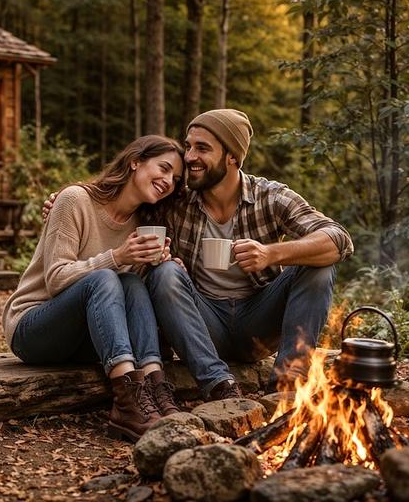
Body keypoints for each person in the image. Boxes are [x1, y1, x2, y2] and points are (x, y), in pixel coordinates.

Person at [146, 109, 354, 400]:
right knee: (166, 273)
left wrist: (271, 253)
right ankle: (218, 385)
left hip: (259, 321)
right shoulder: (177, 198)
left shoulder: (269, 196)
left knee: (318, 265)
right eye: (189, 146)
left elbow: (338, 239)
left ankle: (288, 384)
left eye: (202, 148)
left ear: (232, 156)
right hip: (205, 322)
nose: (190, 156)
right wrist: (71, 199)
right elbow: (125, 195)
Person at [3, 135, 186, 442]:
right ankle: (128, 405)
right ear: (135, 162)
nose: (168, 181)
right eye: (164, 168)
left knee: (129, 282)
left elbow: (121, 303)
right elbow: (57, 279)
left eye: (175, 178)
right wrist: (117, 257)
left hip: (85, 337)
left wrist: (156, 264)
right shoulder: (75, 200)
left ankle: (155, 388)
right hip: (34, 327)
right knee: (106, 278)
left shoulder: (143, 222)